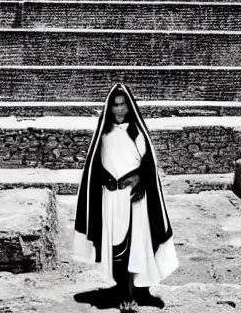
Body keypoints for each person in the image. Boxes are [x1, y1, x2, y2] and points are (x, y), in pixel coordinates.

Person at [73, 83, 178, 312]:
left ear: (130, 107)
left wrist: (141, 179)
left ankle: (130, 296)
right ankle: (122, 290)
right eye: (115, 105)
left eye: (123, 105)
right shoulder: (103, 134)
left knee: (134, 248)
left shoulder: (138, 133)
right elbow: (95, 168)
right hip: (111, 198)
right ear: (109, 108)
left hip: (134, 199)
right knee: (115, 247)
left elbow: (149, 165)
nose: (119, 110)